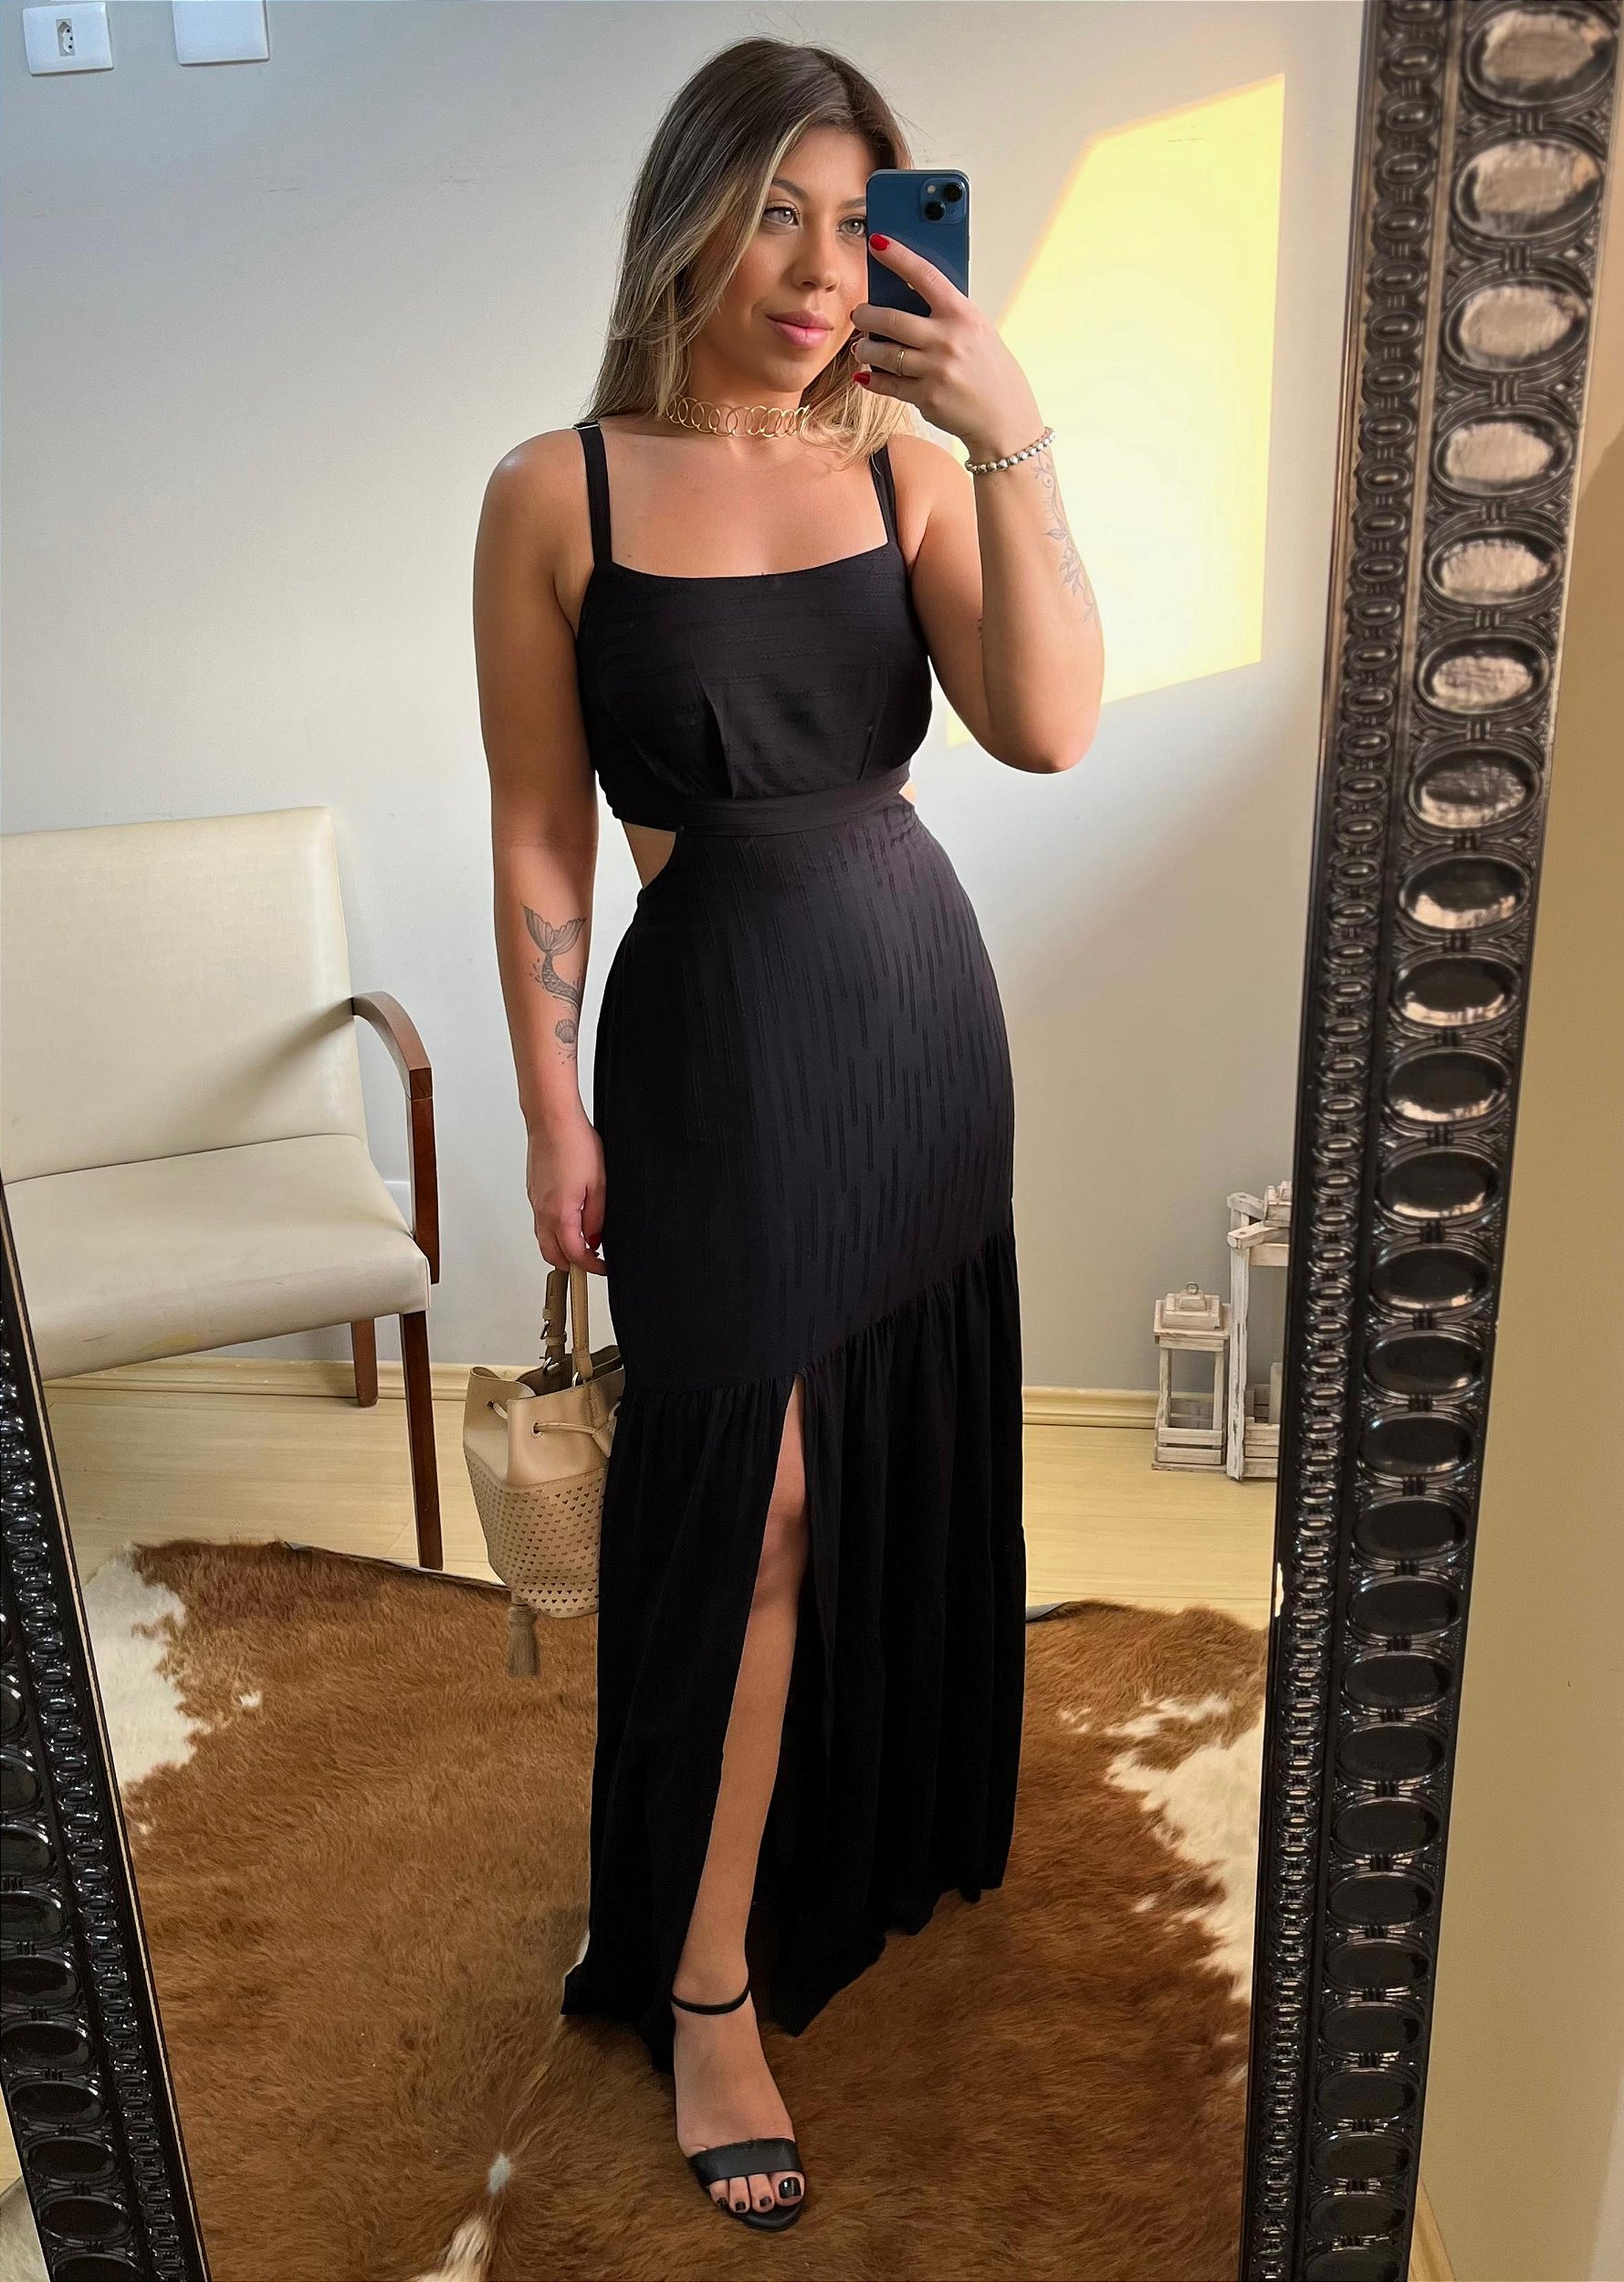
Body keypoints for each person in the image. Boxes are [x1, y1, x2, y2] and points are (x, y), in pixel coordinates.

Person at [473, 35, 1101, 2235]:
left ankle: (829, 1838)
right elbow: (539, 827)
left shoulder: (908, 469)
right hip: (711, 1038)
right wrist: (550, 1104)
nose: (826, 269)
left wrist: (1007, 432)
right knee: (752, 1495)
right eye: (777, 215)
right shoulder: (555, 491)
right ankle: (703, 1976)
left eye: (862, 224)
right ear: (690, 217)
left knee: (863, 1468)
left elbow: (1046, 725)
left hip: (911, 1016)